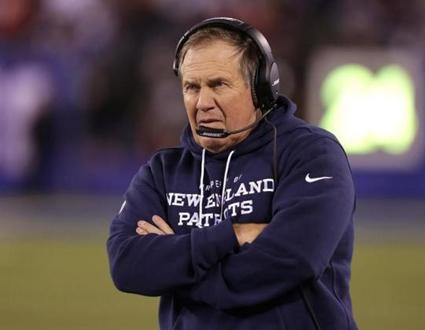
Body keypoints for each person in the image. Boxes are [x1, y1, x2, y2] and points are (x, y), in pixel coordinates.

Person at [107, 17, 357, 330]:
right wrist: (233, 234)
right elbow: (127, 265)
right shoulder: (162, 172)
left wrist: (178, 271)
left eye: (218, 85)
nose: (202, 102)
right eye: (191, 87)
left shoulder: (311, 154)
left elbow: (293, 259)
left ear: (261, 88)